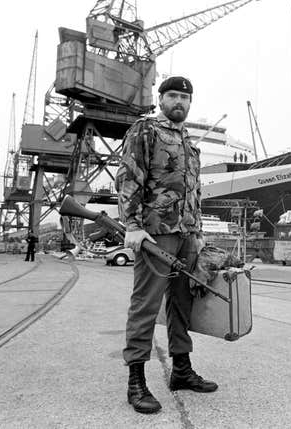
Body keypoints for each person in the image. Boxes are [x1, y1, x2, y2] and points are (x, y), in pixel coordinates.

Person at [115, 76, 217, 415]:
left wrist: (197, 230)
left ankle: (182, 370)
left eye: (184, 97)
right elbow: (129, 177)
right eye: (172, 95)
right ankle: (136, 381)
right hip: (155, 233)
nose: (178, 102)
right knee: (146, 303)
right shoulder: (145, 131)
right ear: (161, 99)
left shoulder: (189, 142)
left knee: (181, 303)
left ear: (190, 103)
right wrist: (132, 224)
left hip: (187, 233)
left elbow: (195, 193)